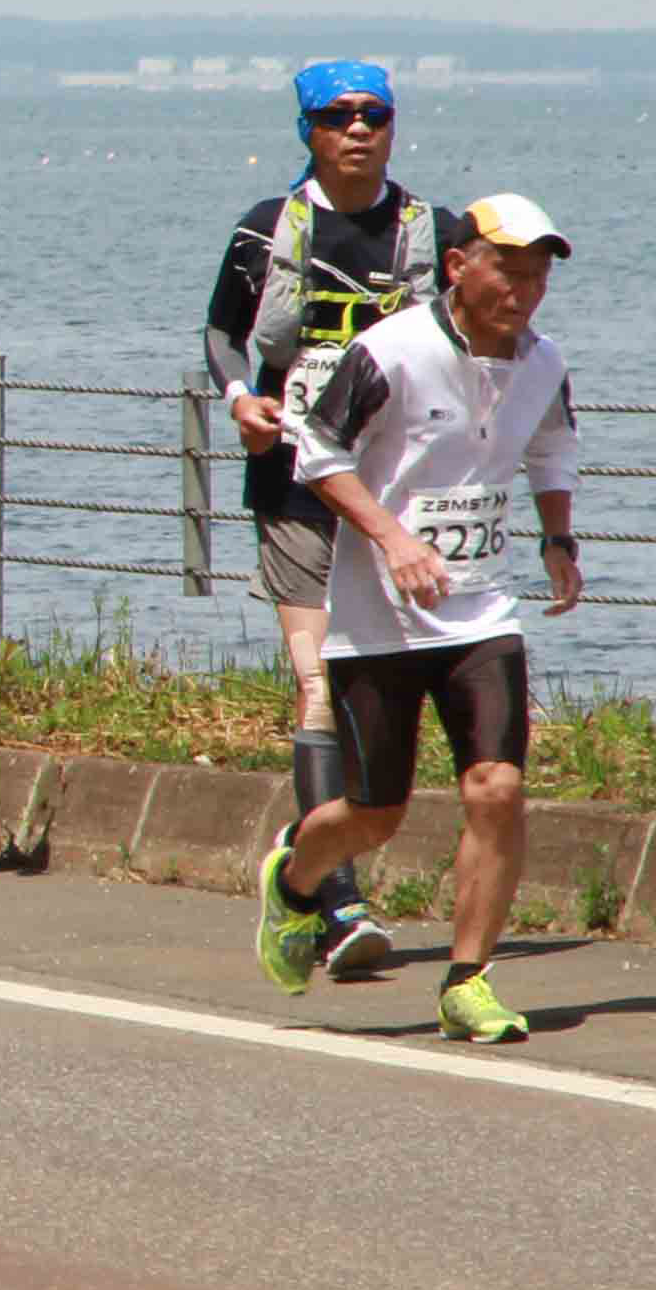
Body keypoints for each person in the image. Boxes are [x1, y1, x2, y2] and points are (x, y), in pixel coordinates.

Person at [257, 197, 585, 1044]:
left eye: (538, 274)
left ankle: (467, 981)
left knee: (497, 788)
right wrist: (393, 537)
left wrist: (557, 538)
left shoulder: (544, 361)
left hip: (481, 610)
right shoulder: (390, 350)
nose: (523, 289)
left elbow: (551, 447)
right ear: (458, 267)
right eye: (507, 269)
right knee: (375, 814)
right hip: (379, 620)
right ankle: (294, 883)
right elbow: (315, 451)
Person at [204, 60, 445, 976]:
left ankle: (304, 853)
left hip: (395, 498)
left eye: (374, 114)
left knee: (370, 697)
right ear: (307, 129)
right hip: (296, 487)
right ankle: (339, 904)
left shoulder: (430, 230)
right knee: (315, 688)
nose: (358, 130)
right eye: (338, 116)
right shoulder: (268, 228)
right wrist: (240, 399)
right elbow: (222, 331)